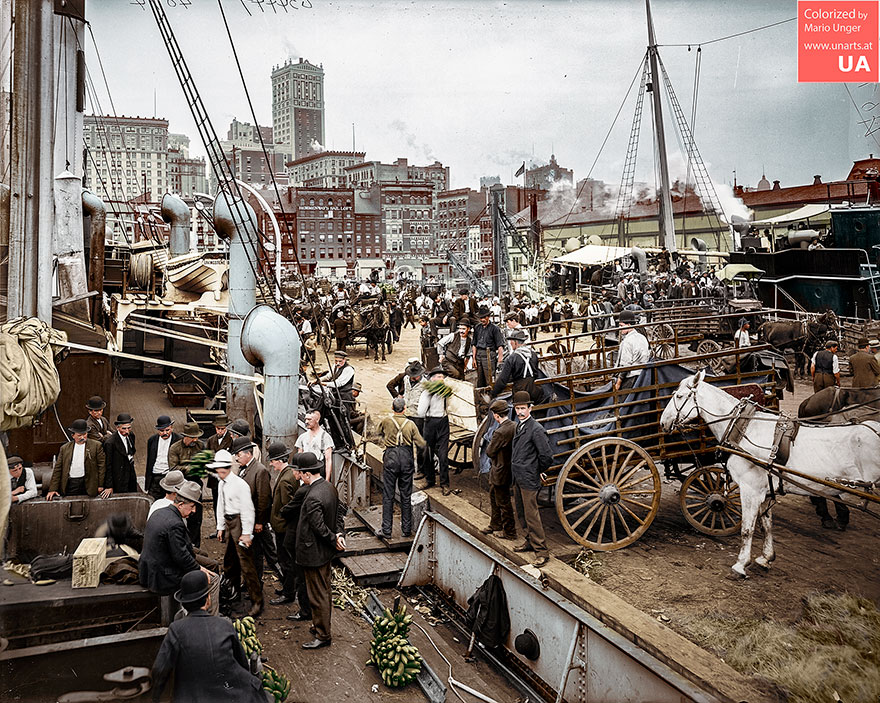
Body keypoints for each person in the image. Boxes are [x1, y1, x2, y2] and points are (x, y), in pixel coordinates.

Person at [150, 570, 266, 703]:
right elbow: (242, 664)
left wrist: (156, 697)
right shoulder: (225, 625)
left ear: (184, 604)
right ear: (208, 599)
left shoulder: (176, 629)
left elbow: (160, 670)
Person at [139, 480, 218, 613]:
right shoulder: (175, 524)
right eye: (192, 506)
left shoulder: (160, 512)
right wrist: (200, 569)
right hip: (162, 577)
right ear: (180, 504)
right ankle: (210, 620)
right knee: (213, 579)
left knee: (203, 562)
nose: (194, 511)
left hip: (149, 570)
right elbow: (181, 557)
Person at [295, 454, 346, 649]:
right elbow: (339, 513)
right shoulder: (328, 487)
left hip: (313, 553)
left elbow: (319, 527)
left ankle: (323, 635)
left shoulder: (313, 497)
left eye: (301, 473)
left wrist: (334, 539)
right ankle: (320, 626)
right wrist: (339, 535)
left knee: (317, 595)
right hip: (323, 552)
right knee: (323, 590)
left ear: (307, 474)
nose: (299, 476)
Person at [212, 449, 262, 617]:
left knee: (246, 564)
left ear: (229, 468)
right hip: (229, 523)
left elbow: (248, 510)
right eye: (218, 471)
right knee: (229, 561)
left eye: (223, 471)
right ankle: (232, 593)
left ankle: (257, 601)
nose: (221, 474)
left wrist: (247, 533)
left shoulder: (241, 485)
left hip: (240, 522)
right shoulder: (221, 483)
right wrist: (220, 526)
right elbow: (220, 504)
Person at [510, 391, 553, 567]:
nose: (520, 412)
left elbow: (547, 456)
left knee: (532, 514)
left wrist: (537, 470)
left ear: (530, 408)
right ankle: (529, 540)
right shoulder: (518, 426)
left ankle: (541, 551)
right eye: (517, 408)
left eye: (523, 408)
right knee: (521, 512)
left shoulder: (536, 429)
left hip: (528, 478)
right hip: (518, 476)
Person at [377, 397, 426, 538]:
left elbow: (378, 433)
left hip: (391, 458)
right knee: (406, 495)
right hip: (406, 459)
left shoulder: (386, 421)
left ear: (392, 409)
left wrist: (388, 440)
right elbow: (421, 443)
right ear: (405, 409)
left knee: (388, 495)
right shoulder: (410, 424)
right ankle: (406, 529)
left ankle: (386, 530)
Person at [232, 436, 275, 594]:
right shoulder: (245, 469)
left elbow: (264, 499)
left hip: (255, 524)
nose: (236, 458)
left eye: (238, 454)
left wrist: (259, 522)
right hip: (246, 522)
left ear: (248, 454)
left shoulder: (260, 471)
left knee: (257, 555)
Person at [267, 442, 299, 606]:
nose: (271, 464)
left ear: (279, 460)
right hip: (285, 527)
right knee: (286, 560)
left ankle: (288, 593)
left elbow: (287, 507)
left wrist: (278, 521)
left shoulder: (285, 480)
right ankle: (288, 588)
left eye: (272, 461)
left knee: (286, 561)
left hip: (283, 528)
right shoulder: (288, 474)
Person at [47, 419, 108, 499]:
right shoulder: (65, 448)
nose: (82, 437)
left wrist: (100, 485)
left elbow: (102, 467)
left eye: (84, 434)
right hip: (71, 483)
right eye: (79, 435)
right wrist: (53, 489)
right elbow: (58, 469)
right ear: (73, 435)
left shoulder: (96, 446)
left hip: (89, 484)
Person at [483, 400, 517, 540]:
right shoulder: (515, 426)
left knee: (503, 501)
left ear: (496, 416)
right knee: (493, 495)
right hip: (509, 468)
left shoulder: (500, 432)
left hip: (500, 470)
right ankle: (495, 524)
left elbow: (490, 452)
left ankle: (510, 532)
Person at [169, 422, 206, 547]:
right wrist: (192, 467)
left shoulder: (201, 446)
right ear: (185, 436)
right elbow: (173, 468)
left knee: (196, 518)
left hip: (196, 484)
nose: (195, 440)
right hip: (180, 486)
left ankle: (195, 545)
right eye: (192, 437)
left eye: (196, 437)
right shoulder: (175, 448)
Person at [417, 367, 452, 495]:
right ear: (432, 379)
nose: (441, 379)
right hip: (430, 423)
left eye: (442, 377)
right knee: (427, 453)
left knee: (443, 455)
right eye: (438, 377)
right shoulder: (427, 392)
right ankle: (430, 480)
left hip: (443, 423)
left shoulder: (446, 392)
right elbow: (420, 412)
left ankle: (445, 484)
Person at [491, 328, 542, 404]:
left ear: (516, 342)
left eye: (511, 341)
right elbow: (536, 373)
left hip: (520, 393)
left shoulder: (512, 358)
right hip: (535, 391)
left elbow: (502, 380)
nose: (510, 343)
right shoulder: (533, 355)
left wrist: (493, 393)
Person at [145, 416, 181, 501]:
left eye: (167, 430)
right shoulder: (152, 440)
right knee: (153, 502)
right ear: (158, 430)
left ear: (171, 428)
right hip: (155, 477)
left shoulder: (178, 440)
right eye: (161, 431)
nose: (165, 433)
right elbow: (149, 461)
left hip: (170, 476)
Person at [614, 310, 650, 392]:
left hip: (631, 377)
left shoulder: (628, 341)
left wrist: (618, 382)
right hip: (643, 376)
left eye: (621, 325)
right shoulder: (642, 337)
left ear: (629, 325)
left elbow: (626, 365)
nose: (620, 328)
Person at [294, 410, 334, 482]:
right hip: (304, 473)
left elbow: (328, 460)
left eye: (309, 419)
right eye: (305, 419)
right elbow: (299, 457)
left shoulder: (325, 437)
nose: (306, 422)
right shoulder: (302, 437)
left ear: (317, 420)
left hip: (318, 473)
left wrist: (327, 480)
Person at [104, 412, 138, 494]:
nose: (127, 431)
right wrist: (109, 485)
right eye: (124, 428)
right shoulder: (110, 443)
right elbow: (108, 465)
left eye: (129, 428)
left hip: (130, 472)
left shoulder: (131, 435)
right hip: (119, 476)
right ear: (117, 428)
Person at [473, 307, 505, 388]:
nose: (482, 319)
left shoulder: (495, 329)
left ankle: (491, 396)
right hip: (478, 355)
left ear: (488, 317)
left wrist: (500, 359)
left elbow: (500, 345)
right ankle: (481, 397)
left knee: (489, 379)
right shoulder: (477, 327)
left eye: (484, 317)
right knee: (480, 379)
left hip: (489, 355)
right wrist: (474, 358)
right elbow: (474, 344)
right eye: (481, 318)